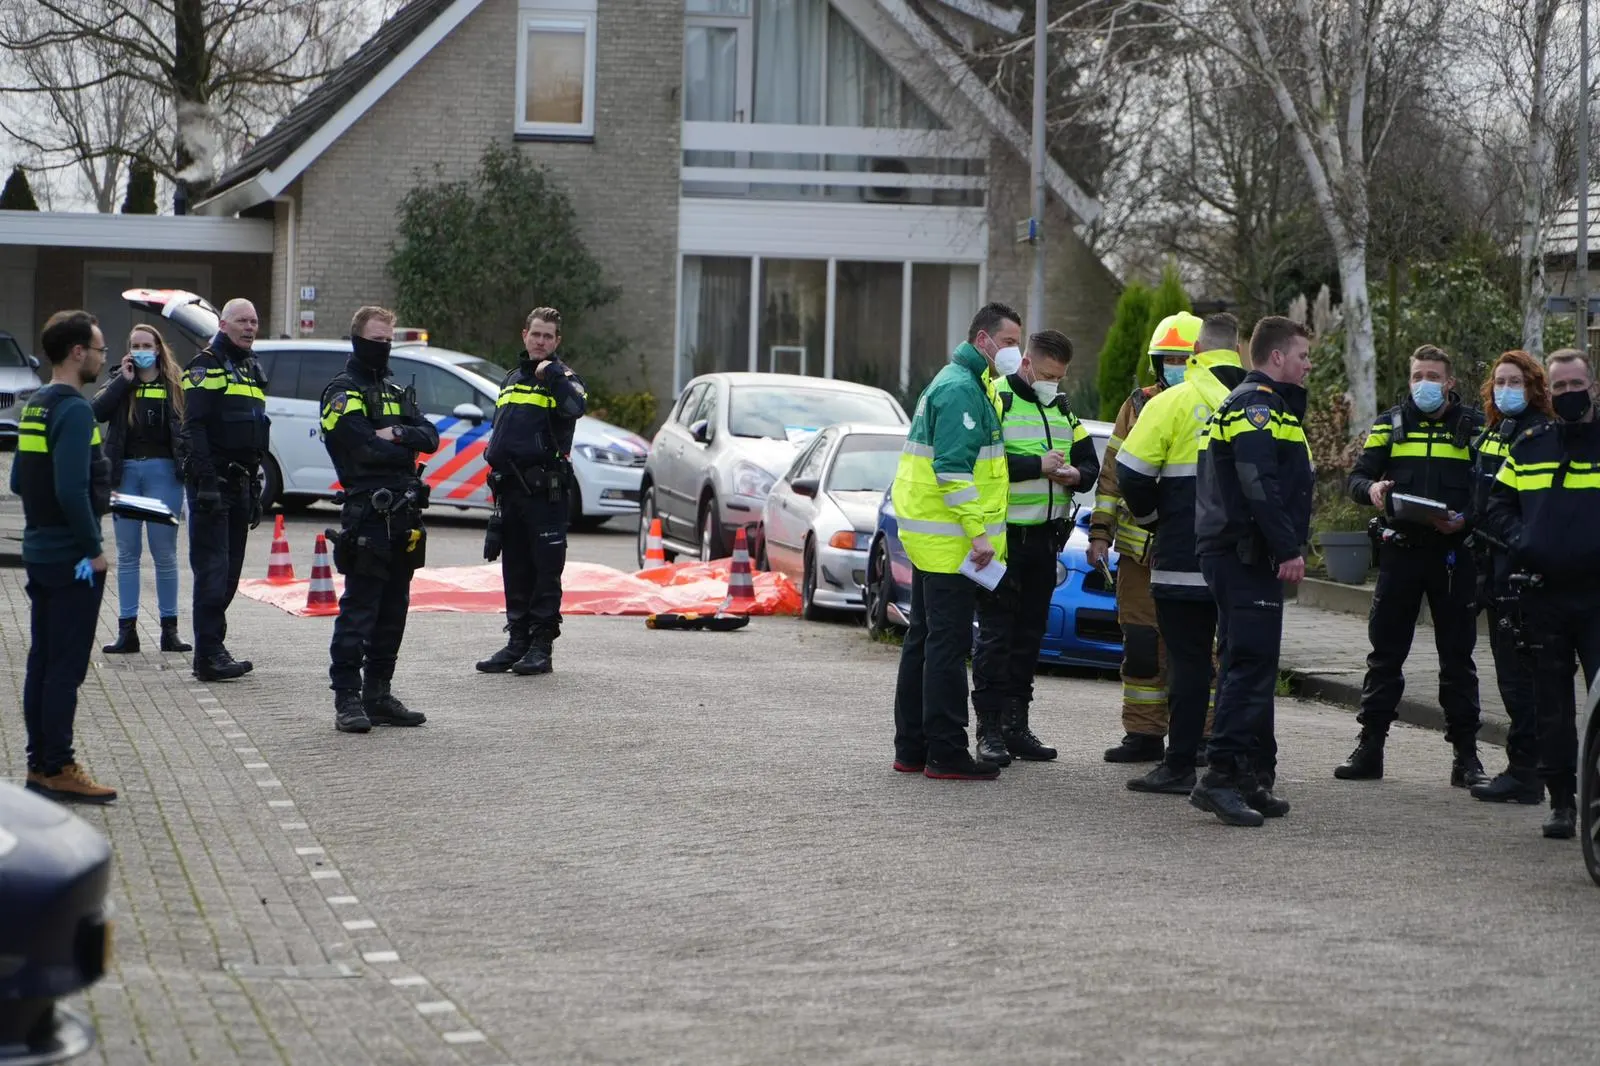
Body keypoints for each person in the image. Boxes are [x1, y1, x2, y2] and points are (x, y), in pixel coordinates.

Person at [1338, 344, 1487, 787]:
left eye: (1434, 376)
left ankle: (1467, 757)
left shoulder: (1474, 427)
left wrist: (1466, 518)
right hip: (1401, 552)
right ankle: (1370, 747)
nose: (1425, 383)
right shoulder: (1390, 425)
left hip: (1453, 556)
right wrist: (1374, 491)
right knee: (1385, 654)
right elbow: (1356, 479)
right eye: (1418, 375)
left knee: (1458, 658)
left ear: (1450, 383)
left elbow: (1492, 487)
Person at [1189, 316, 1315, 827]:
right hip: (1245, 554)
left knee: (1254, 664)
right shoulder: (1256, 406)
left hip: (1244, 554)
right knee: (1247, 665)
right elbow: (1258, 482)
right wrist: (1288, 548)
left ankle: (1244, 775)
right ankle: (1219, 776)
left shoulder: (1266, 403)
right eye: (1303, 355)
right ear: (1278, 357)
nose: (1309, 365)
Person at [1116, 313, 1245, 796]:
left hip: (1182, 560)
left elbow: (1129, 473)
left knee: (1189, 662)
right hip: (1244, 566)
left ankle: (1179, 765)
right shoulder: (1265, 403)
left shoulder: (1172, 402)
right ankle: (1243, 770)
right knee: (1241, 662)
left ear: (1195, 355)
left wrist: (1154, 521)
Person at [890, 302, 1017, 781]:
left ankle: (914, 748)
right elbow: (953, 469)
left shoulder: (960, 383)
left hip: (934, 539)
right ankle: (945, 751)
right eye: (1007, 342)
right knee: (945, 645)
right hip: (952, 543)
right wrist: (979, 532)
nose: (1013, 352)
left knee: (923, 641)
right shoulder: (963, 389)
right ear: (982, 339)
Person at [970, 329, 1100, 764]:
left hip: (1046, 543)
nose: (1052, 383)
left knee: (1029, 639)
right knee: (995, 639)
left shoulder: (1062, 407)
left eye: (1059, 377)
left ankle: (1015, 726)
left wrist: (1075, 477)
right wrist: (1036, 466)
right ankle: (987, 730)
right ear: (1026, 363)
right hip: (1004, 542)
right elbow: (981, 463)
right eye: (1045, 374)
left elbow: (1090, 463)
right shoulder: (998, 400)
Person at [1486, 348, 1600, 840]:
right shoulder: (1530, 445)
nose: (1570, 394)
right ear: (1548, 393)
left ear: (1593, 387)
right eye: (1561, 388)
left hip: (1599, 599)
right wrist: (1522, 540)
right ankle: (1561, 802)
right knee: (1551, 706)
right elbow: (1496, 507)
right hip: (1544, 597)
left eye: (1577, 386)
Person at [319, 306, 441, 733]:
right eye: (376, 339)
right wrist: (400, 445)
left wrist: (399, 435)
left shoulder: (393, 390)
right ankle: (347, 699)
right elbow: (361, 449)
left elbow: (431, 437)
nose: (383, 347)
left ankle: (379, 694)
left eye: (389, 340)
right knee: (360, 609)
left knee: (395, 609)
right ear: (357, 339)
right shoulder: (341, 391)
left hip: (404, 514)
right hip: (368, 514)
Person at [1089, 312, 1202, 764]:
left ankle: (1201, 738)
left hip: (1191, 551)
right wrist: (1100, 532)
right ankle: (1144, 734)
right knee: (1140, 646)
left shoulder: (1212, 403)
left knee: (1197, 650)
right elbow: (1113, 474)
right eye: (1167, 358)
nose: (1174, 365)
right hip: (1138, 554)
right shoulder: (1136, 405)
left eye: (1183, 358)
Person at [14, 310, 116, 803]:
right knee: (66, 668)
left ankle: (39, 764)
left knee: (43, 661)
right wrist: (94, 551)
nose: (103, 357)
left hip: (39, 551)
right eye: (99, 349)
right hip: (72, 559)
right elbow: (73, 489)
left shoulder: (37, 404)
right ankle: (57, 766)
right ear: (78, 352)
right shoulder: (75, 410)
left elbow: (18, 481)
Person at [474, 307, 587, 676]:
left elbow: (575, 407)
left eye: (548, 337)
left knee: (545, 570)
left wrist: (552, 374)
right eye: (535, 334)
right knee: (515, 568)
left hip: (545, 492)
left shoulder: (563, 377)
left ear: (557, 341)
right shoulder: (511, 379)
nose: (540, 342)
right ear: (524, 335)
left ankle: (541, 646)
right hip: (511, 491)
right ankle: (517, 642)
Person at [1466, 350, 1553, 805]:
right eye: (1499, 381)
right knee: (1511, 676)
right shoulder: (1495, 432)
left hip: (1521, 571)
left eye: (1514, 382)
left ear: (1534, 386)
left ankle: (1528, 772)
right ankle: (1527, 768)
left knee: (1524, 680)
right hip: (1495, 570)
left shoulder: (1540, 435)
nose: (1505, 390)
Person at [182, 297, 271, 682]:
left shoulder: (250, 368)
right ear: (223, 324)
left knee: (231, 572)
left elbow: (255, 431)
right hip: (214, 482)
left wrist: (253, 486)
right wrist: (205, 483)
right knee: (213, 570)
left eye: (254, 321)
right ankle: (208, 654)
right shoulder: (206, 365)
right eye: (242, 321)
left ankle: (214, 647)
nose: (250, 327)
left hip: (240, 482)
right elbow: (194, 428)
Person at [92, 324, 192, 655]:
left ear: (159, 348)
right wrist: (123, 379)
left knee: (164, 554)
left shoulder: (174, 384)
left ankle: (169, 630)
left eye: (146, 344)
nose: (140, 350)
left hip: (163, 473)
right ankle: (127, 630)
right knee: (128, 554)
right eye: (135, 344)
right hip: (127, 474)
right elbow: (97, 410)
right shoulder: (122, 381)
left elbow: (188, 428)